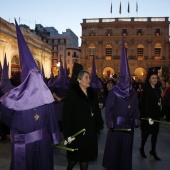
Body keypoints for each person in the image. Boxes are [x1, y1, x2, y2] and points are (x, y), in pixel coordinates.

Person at [0, 20, 61, 170]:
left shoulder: (46, 96)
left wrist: (54, 137)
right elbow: (5, 116)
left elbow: (52, 119)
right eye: (32, 75)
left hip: (43, 143)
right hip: (22, 145)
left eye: (37, 74)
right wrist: (18, 130)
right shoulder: (13, 98)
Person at [102, 37, 140, 170]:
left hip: (129, 127)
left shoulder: (132, 91)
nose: (126, 80)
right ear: (120, 77)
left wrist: (136, 118)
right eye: (124, 77)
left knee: (126, 151)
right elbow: (108, 109)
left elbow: (135, 107)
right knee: (115, 150)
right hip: (117, 126)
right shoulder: (114, 91)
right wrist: (110, 122)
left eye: (128, 78)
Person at [62, 69, 104, 170]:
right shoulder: (72, 94)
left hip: (89, 132)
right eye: (86, 77)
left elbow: (96, 111)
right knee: (73, 159)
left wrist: (98, 122)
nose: (89, 80)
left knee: (85, 160)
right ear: (79, 79)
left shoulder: (92, 93)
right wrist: (68, 135)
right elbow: (66, 116)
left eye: (89, 77)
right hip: (77, 132)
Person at [140, 68, 162, 161]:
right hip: (148, 116)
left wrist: (161, 110)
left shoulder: (157, 89)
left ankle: (153, 151)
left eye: (156, 78)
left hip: (156, 115)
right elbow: (144, 104)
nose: (154, 80)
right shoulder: (147, 89)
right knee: (146, 133)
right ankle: (142, 148)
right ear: (149, 79)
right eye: (153, 78)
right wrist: (147, 116)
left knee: (155, 134)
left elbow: (159, 101)